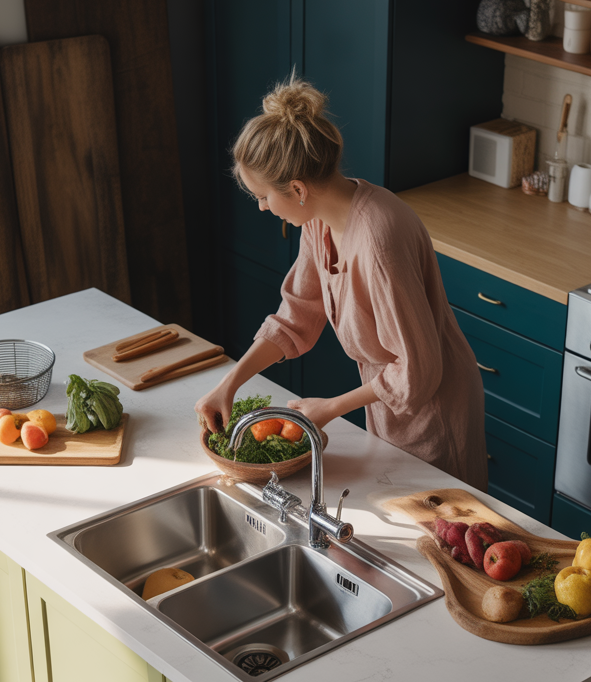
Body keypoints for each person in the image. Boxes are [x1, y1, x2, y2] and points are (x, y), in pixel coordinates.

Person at [194, 74, 488, 490]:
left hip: (434, 410)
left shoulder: (378, 241)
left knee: (443, 529)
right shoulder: (319, 222)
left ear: (296, 188)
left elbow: (419, 372)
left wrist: (331, 407)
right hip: (388, 400)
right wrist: (229, 384)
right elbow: (296, 316)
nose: (262, 208)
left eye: (262, 196)